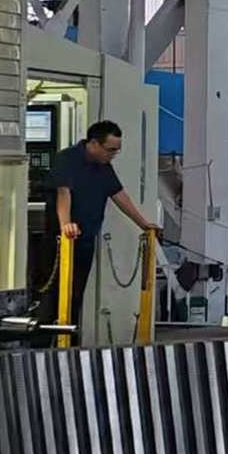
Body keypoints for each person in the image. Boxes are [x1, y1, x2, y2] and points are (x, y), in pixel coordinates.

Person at [42, 120, 158, 334]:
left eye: (116, 151)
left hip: (86, 240)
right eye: (110, 150)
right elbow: (63, 193)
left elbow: (118, 194)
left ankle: (69, 341)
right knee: (54, 296)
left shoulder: (103, 166)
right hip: (61, 243)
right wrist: (65, 224)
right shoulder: (67, 159)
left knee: (76, 295)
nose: (113, 155)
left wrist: (143, 223)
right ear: (94, 144)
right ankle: (44, 342)